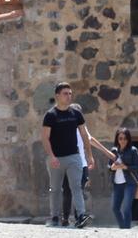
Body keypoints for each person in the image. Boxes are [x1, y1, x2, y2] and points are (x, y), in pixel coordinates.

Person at [41, 83, 94, 228]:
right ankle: (55, 217)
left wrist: (89, 155)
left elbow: (84, 135)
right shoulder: (50, 115)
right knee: (56, 189)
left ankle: (81, 216)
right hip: (56, 158)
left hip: (74, 157)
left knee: (76, 186)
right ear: (57, 95)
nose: (69, 96)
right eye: (65, 93)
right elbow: (45, 137)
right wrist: (51, 156)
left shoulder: (76, 114)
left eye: (70, 93)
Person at [58, 103, 91, 226]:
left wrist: (108, 153)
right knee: (67, 192)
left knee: (79, 191)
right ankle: (65, 218)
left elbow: (90, 140)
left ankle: (79, 218)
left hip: (82, 165)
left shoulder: (83, 128)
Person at [106, 128, 138, 229]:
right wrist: (112, 168)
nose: (123, 140)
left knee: (126, 208)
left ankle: (126, 230)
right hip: (117, 183)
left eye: (125, 138)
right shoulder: (114, 151)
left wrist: (125, 167)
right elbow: (109, 167)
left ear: (128, 139)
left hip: (130, 183)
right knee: (115, 208)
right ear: (117, 139)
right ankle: (123, 229)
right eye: (120, 138)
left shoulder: (133, 150)